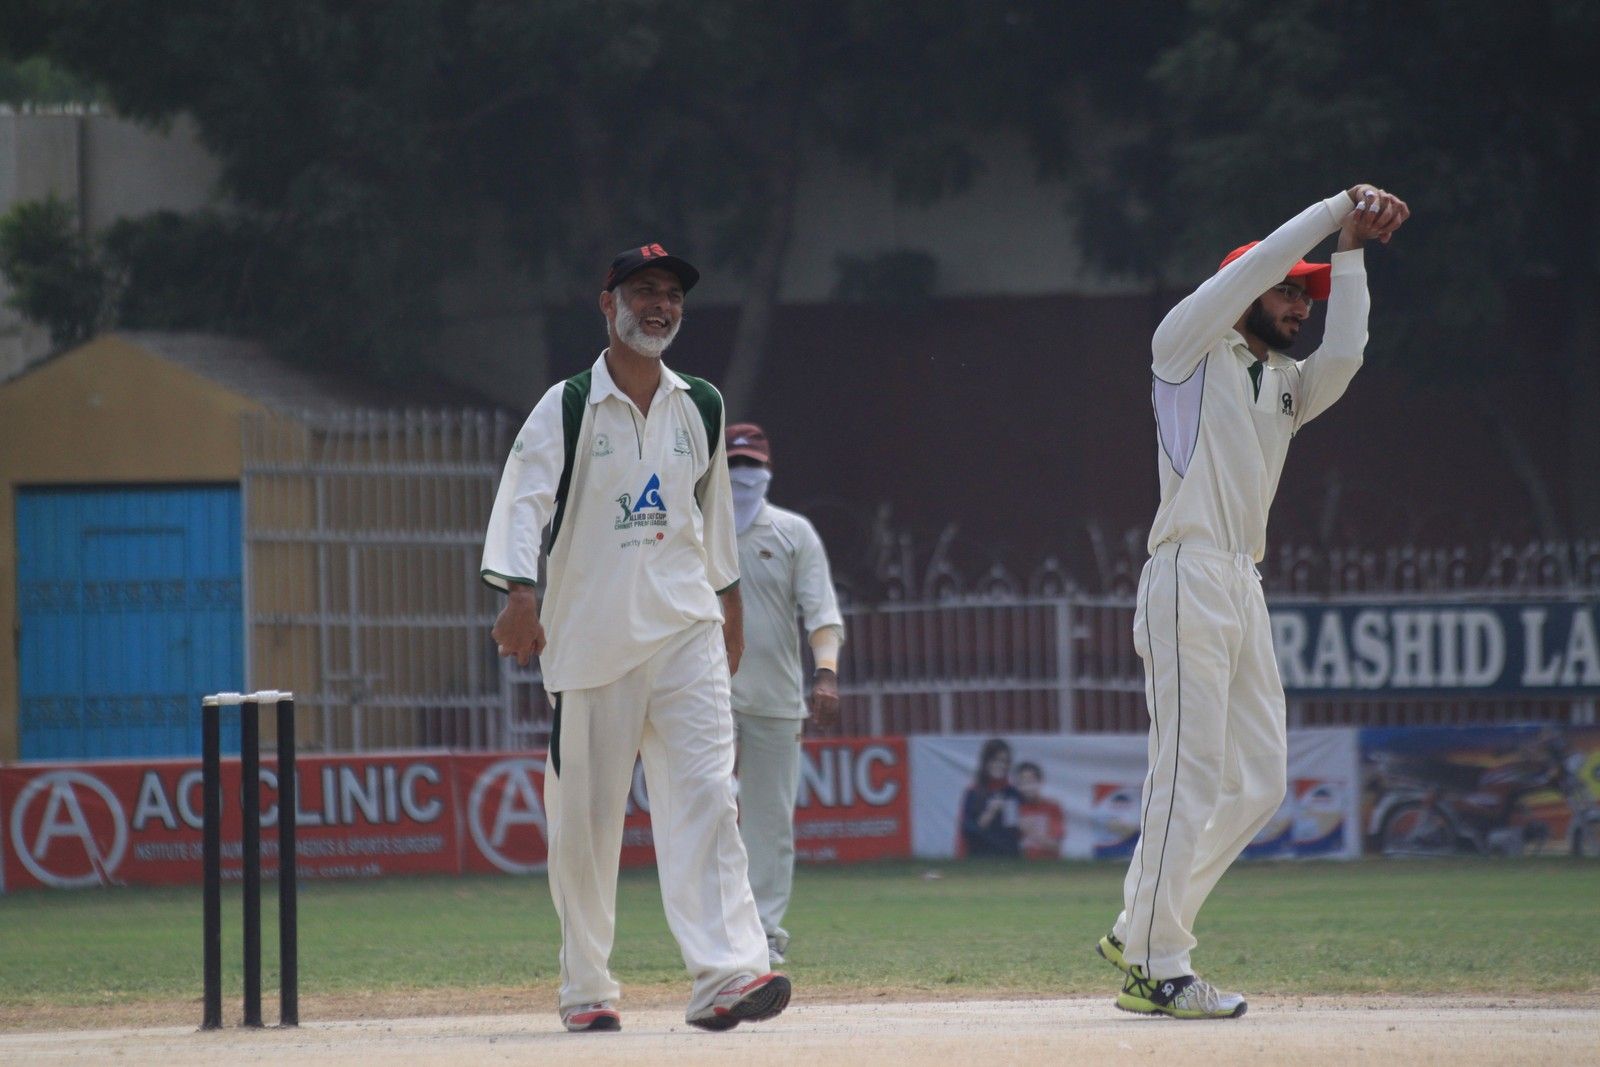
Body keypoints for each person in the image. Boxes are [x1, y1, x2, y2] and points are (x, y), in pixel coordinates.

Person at [1096, 186, 1409, 1019]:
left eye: (1308, 294)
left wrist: (1351, 251)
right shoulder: (1185, 349)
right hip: (1187, 571)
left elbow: (1347, 354)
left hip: (1242, 581)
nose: (1301, 305)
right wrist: (1338, 206)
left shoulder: (1284, 383)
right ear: (1244, 291)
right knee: (1188, 771)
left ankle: (1139, 923)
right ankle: (1157, 965)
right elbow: (1263, 259)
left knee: (1262, 780)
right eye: (1288, 291)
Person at [481, 243, 789, 1034]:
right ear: (608, 303)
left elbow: (711, 519)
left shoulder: (701, 405)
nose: (660, 305)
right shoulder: (569, 404)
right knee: (584, 828)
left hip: (684, 628)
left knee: (708, 799)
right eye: (645, 290)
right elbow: (524, 499)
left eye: (672, 294)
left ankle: (727, 973)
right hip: (591, 643)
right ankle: (587, 986)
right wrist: (519, 592)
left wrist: (730, 605)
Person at [723, 422, 846, 967]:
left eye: (751, 465)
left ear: (768, 470)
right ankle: (715, 929)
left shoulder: (793, 532)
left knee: (770, 821)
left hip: (775, 695)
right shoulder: (695, 528)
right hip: (706, 693)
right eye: (733, 465)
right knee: (709, 810)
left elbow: (821, 611)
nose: (742, 476)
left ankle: (764, 932)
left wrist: (826, 673)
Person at [958, 738, 1022, 857]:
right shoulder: (973, 792)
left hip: (1007, 856)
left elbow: (1013, 831)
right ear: (986, 762)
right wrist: (990, 812)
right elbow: (968, 830)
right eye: (994, 760)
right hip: (979, 855)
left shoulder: (1012, 793)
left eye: (1004, 761)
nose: (999, 765)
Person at [1014, 761, 1065, 860]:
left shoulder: (1052, 807)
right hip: (1021, 864)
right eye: (1022, 783)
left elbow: (1056, 846)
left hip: (1047, 863)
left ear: (1040, 782)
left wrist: (1030, 831)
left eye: (1031, 782)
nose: (1027, 788)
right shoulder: (1015, 808)